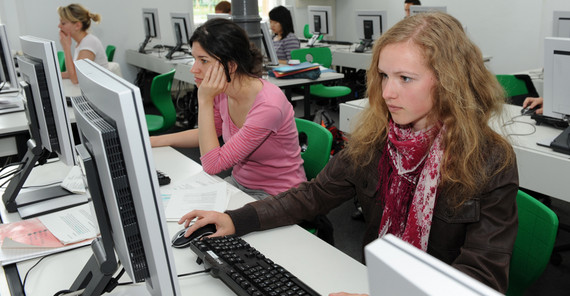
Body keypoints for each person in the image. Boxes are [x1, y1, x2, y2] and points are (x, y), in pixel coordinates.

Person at [178, 12, 519, 295]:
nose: (387, 92)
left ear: (449, 81)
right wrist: (238, 218)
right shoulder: (378, 138)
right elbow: (314, 194)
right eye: (384, 76)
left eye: (405, 78)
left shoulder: (490, 160)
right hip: (372, 282)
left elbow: (482, 278)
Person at [150, 18, 306, 200]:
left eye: (203, 61)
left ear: (230, 66)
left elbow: (212, 164)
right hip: (240, 184)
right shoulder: (222, 92)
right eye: (194, 59)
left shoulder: (268, 106)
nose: (194, 69)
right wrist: (152, 141)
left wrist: (205, 100)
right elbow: (206, 134)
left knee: (205, 222)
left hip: (279, 195)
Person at [57, 3, 108, 84]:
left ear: (77, 26)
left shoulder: (89, 42)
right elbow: (72, 73)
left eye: (63, 23)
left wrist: (66, 48)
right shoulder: (81, 43)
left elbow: (75, 79)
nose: (59, 26)